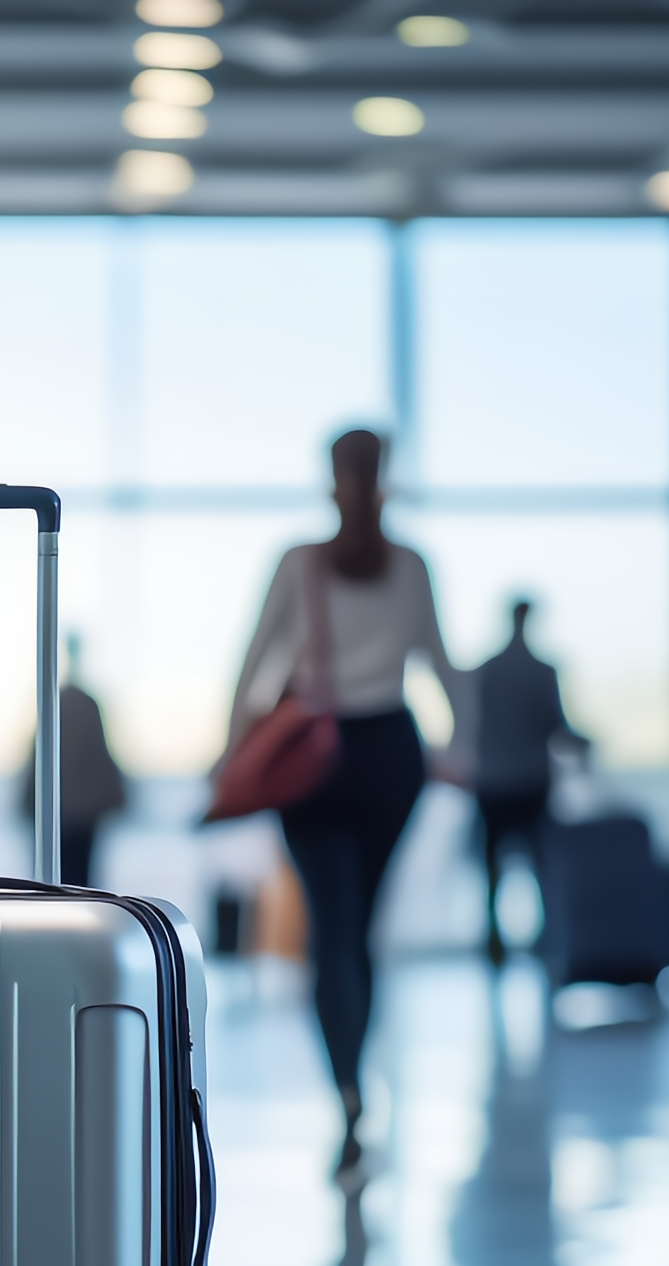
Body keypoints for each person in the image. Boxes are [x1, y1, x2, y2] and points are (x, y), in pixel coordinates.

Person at [226, 429, 458, 1186]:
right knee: (358, 931)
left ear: (332, 480)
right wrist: (464, 751)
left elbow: (253, 666)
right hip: (393, 751)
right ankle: (358, 1089)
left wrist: (235, 758)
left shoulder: (301, 564)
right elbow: (443, 669)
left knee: (333, 928)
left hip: (314, 758)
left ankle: (349, 1097)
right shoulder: (412, 566)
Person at [471, 597, 582, 964]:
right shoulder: (542, 671)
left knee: (494, 867)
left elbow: (473, 726)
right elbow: (557, 726)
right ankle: (545, 937)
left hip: (492, 781)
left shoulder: (487, 670)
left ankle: (495, 936)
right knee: (540, 864)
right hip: (529, 780)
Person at [20, 633, 126, 888]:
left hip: (65, 814)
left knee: (55, 883)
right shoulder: (78, 702)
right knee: (76, 886)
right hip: (79, 815)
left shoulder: (62, 701)